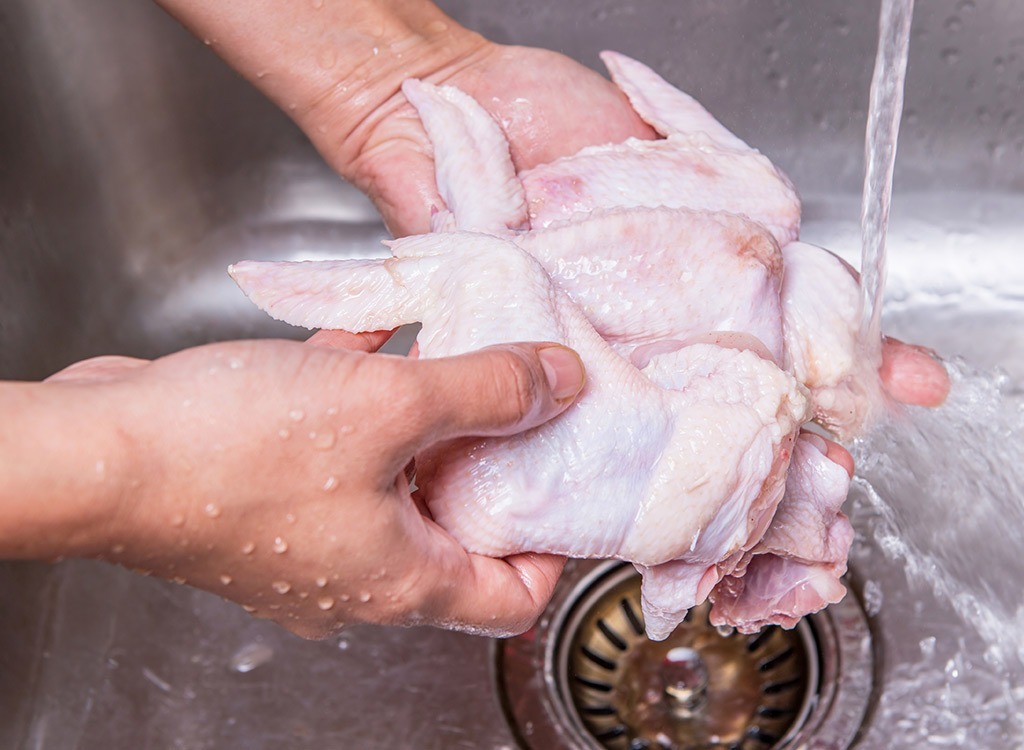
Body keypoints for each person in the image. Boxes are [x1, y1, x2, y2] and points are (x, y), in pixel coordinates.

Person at [0, 0, 949, 641]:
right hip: (623, 390)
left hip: (629, 379)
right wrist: (142, 476)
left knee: (758, 242)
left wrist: (399, 81)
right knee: (754, 243)